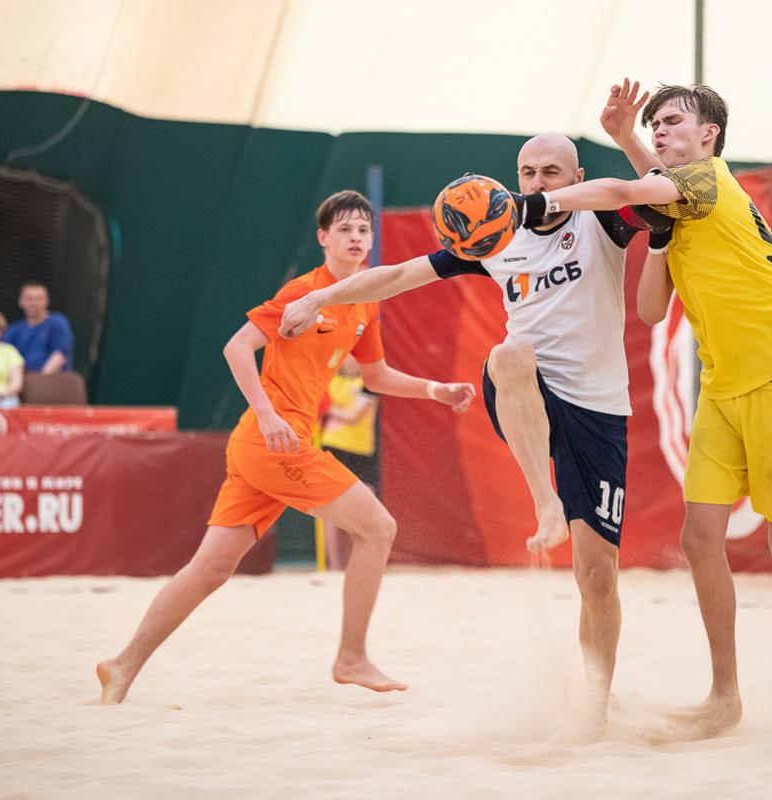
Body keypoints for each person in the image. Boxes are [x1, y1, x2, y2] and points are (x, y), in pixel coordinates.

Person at [279, 133, 657, 735]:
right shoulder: (495, 233)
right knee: (510, 353)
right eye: (527, 172)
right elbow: (397, 276)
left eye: (551, 171)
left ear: (577, 176)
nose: (536, 182)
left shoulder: (600, 220)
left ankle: (595, 706)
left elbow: (657, 192)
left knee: (597, 577)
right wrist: (320, 296)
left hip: (598, 408)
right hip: (525, 393)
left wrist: (626, 135)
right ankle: (545, 502)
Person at [519, 80, 772, 737]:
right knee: (698, 538)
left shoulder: (707, 180)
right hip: (721, 388)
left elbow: (624, 190)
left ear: (708, 134)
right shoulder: (677, 204)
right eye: (654, 123)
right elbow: (650, 301)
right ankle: (725, 696)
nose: (660, 129)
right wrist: (626, 138)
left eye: (672, 121)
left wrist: (538, 200)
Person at [96, 190, 475, 704]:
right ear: (323, 238)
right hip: (273, 440)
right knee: (379, 528)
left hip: (265, 447)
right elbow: (236, 347)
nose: (356, 238)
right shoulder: (304, 292)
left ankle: (122, 665)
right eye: (344, 229)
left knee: (209, 570)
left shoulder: (365, 301)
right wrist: (268, 414)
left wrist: (435, 389)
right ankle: (351, 657)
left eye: (363, 229)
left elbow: (376, 375)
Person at [319, 356, 380, 570]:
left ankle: (361, 562)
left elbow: (353, 416)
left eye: (353, 355)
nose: (349, 360)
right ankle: (336, 567)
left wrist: (325, 409)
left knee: (365, 509)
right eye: (346, 356)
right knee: (333, 511)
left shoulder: (369, 383)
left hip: (362, 450)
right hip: (335, 447)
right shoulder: (329, 381)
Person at [2, 282, 74, 373]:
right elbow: (3, 354)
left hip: (50, 378)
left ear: (47, 301)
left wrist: (41, 377)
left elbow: (60, 355)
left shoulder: (57, 322)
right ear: (20, 302)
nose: (34, 303)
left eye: (39, 299)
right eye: (29, 299)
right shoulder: (14, 329)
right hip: (20, 377)